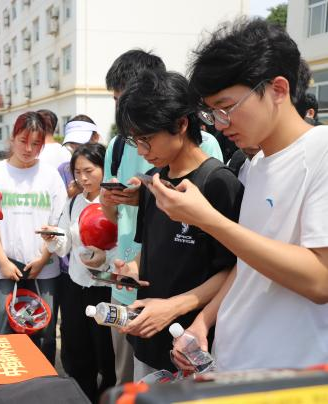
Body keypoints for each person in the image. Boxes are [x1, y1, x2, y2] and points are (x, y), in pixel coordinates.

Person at [149, 18, 328, 371]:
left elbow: (320, 280)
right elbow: (249, 264)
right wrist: (203, 323)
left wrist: (208, 220)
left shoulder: (321, 153)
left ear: (278, 89)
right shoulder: (255, 164)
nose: (218, 122)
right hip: (233, 363)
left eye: (226, 107)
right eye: (211, 111)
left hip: (285, 379)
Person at [100, 49, 225, 383]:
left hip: (193, 345)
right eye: (134, 141)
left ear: (181, 124)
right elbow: (150, 248)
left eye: (145, 139)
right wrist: (133, 268)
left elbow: (235, 270)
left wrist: (176, 307)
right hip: (147, 336)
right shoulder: (155, 180)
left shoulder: (217, 182)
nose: (140, 151)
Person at [0, 111, 67, 364]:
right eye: (24, 141)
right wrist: (2, 261)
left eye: (36, 143)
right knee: (3, 335)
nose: (29, 148)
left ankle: (41, 388)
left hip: (44, 268)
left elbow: (59, 223)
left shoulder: (50, 176)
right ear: (13, 138)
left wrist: (44, 257)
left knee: (45, 334)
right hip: (2, 268)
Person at [40, 143, 116, 402]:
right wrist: (52, 237)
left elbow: (130, 247)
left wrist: (107, 258)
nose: (82, 178)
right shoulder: (73, 203)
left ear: (105, 169)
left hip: (106, 289)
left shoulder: (118, 202)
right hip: (75, 287)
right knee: (76, 353)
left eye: (89, 170)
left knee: (107, 356)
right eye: (77, 172)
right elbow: (64, 247)